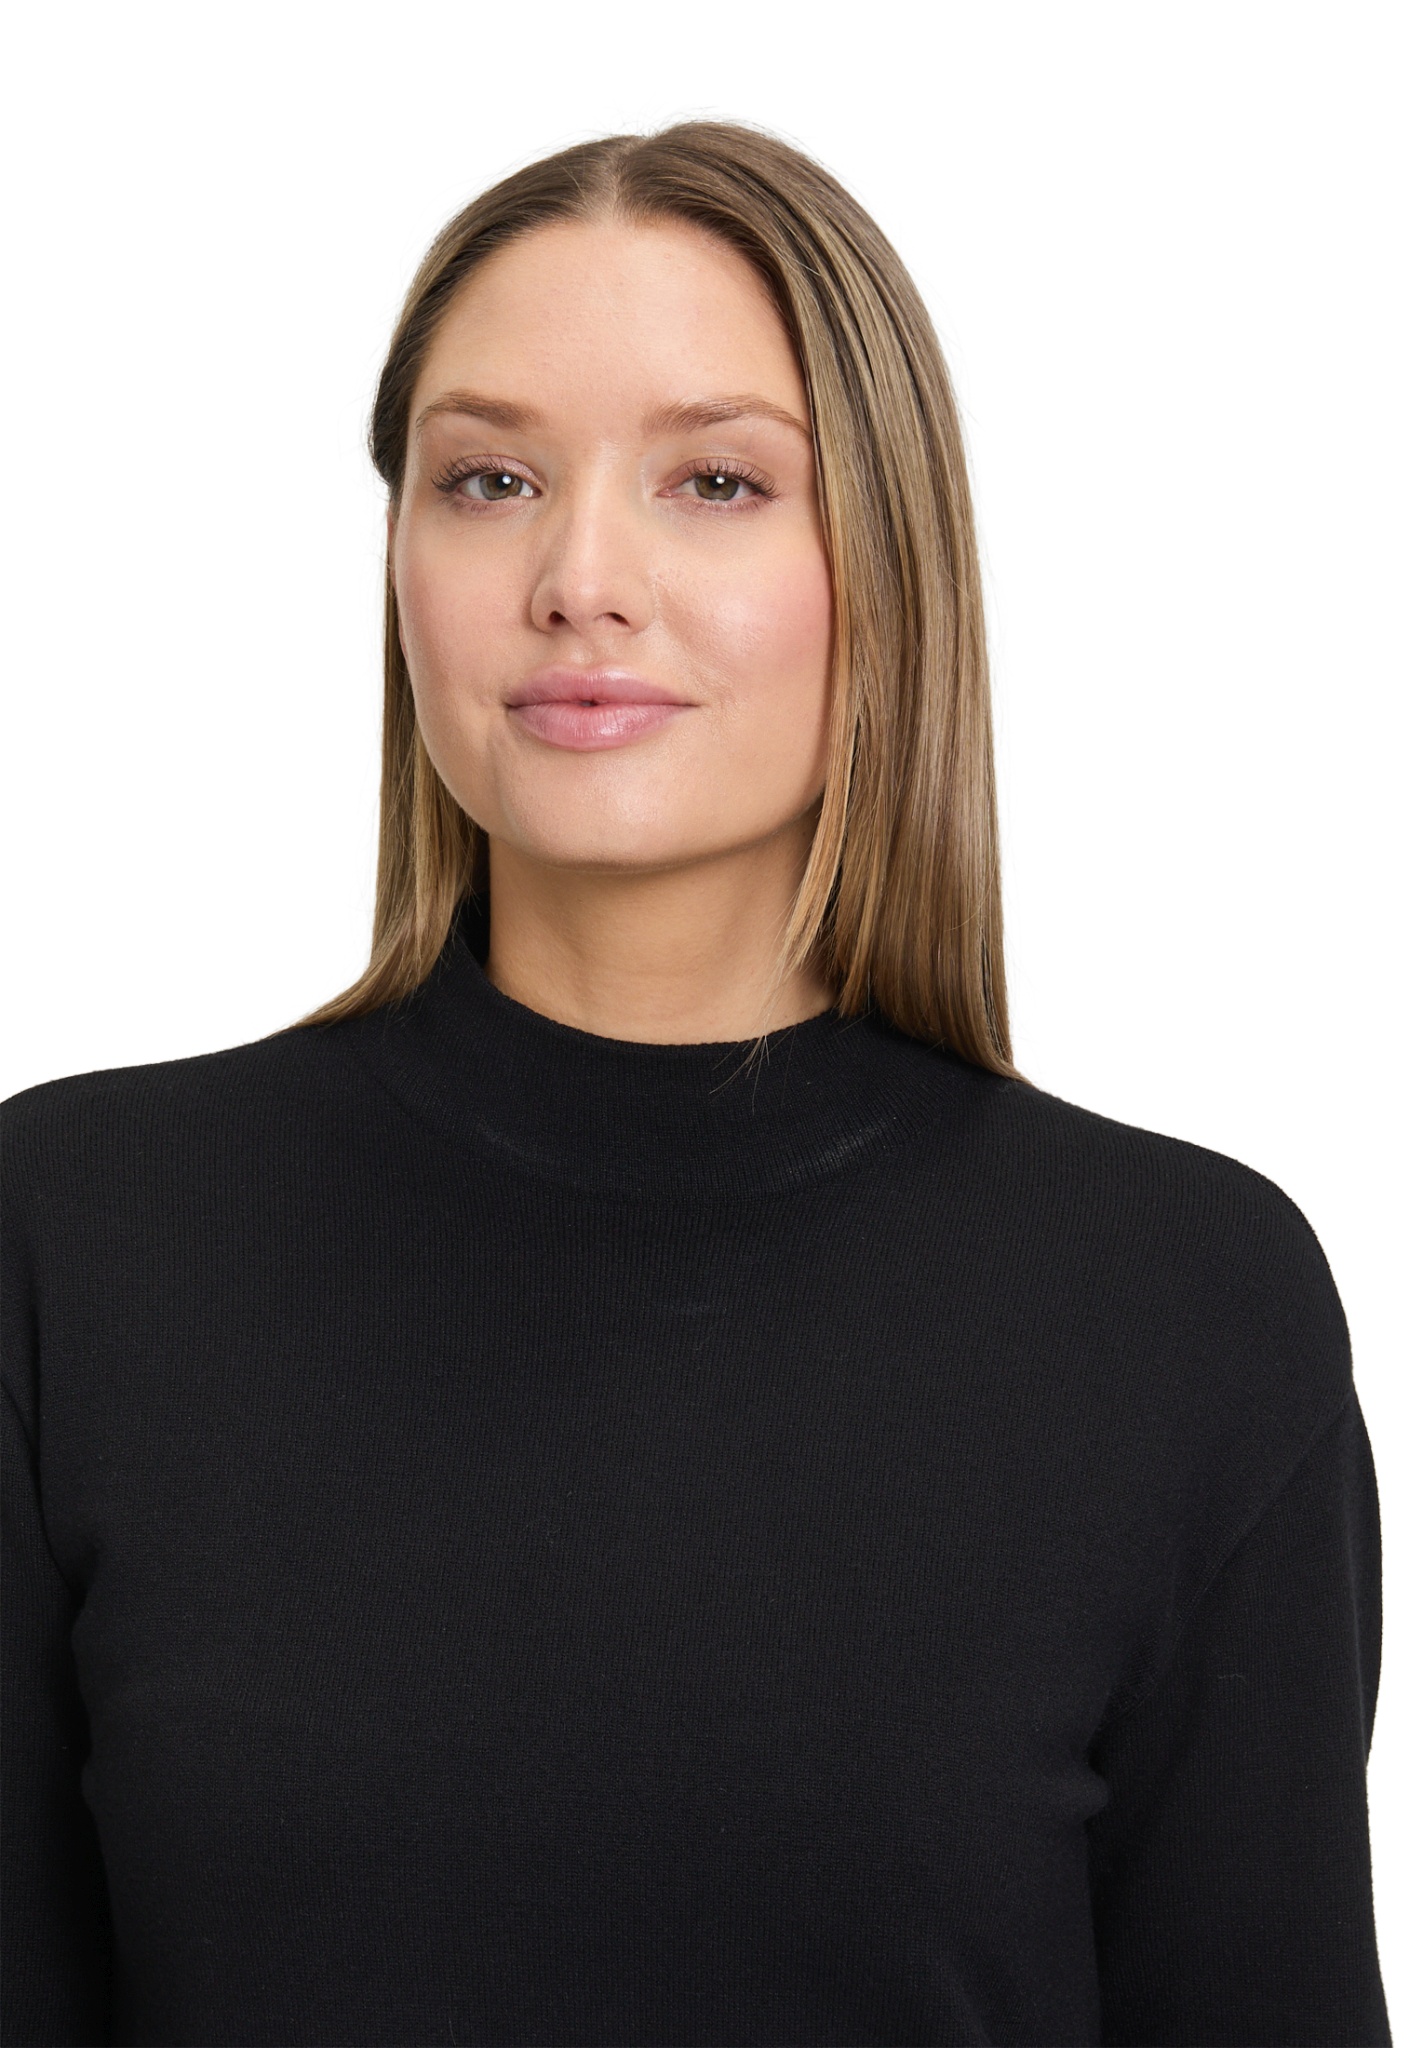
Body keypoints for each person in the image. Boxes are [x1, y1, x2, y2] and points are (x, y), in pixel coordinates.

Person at [1, 122, 1391, 2048]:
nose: (580, 577)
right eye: (488, 479)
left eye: (718, 480)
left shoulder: (1185, 1306)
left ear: (886, 563)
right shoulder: (78, 1240)